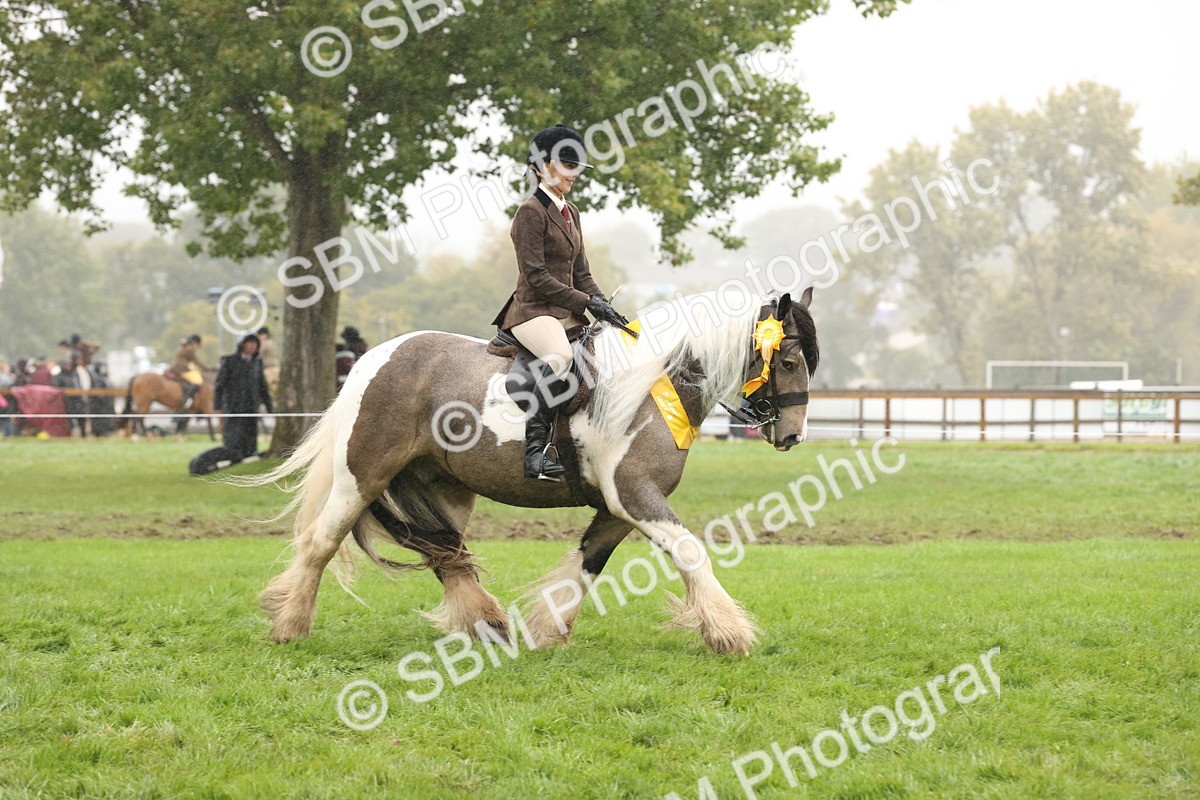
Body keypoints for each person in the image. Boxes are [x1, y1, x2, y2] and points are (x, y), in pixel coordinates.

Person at [490, 124, 628, 480]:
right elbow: (536, 276)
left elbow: (582, 273)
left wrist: (603, 305)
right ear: (541, 167)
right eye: (567, 165)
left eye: (577, 166)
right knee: (560, 357)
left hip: (564, 312)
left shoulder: (572, 212)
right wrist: (586, 302)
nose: (574, 173)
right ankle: (535, 454)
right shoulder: (530, 213)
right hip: (532, 311)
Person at [212, 333, 273, 463]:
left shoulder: (257, 363)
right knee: (233, 435)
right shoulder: (229, 361)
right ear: (242, 345)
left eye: (255, 344)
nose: (252, 346)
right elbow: (220, 385)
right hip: (233, 407)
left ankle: (249, 456)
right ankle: (232, 456)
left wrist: (270, 407)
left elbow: (262, 386)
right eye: (249, 343)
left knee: (250, 434)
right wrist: (218, 406)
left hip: (251, 407)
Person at [169, 334, 207, 409]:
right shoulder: (190, 348)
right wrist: (206, 369)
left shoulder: (184, 345)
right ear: (196, 342)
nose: (197, 347)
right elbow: (196, 360)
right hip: (182, 369)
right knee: (198, 382)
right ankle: (185, 398)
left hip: (177, 366)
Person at [257, 326, 280, 392]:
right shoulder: (271, 343)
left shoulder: (265, 343)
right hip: (273, 367)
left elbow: (259, 353)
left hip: (268, 368)